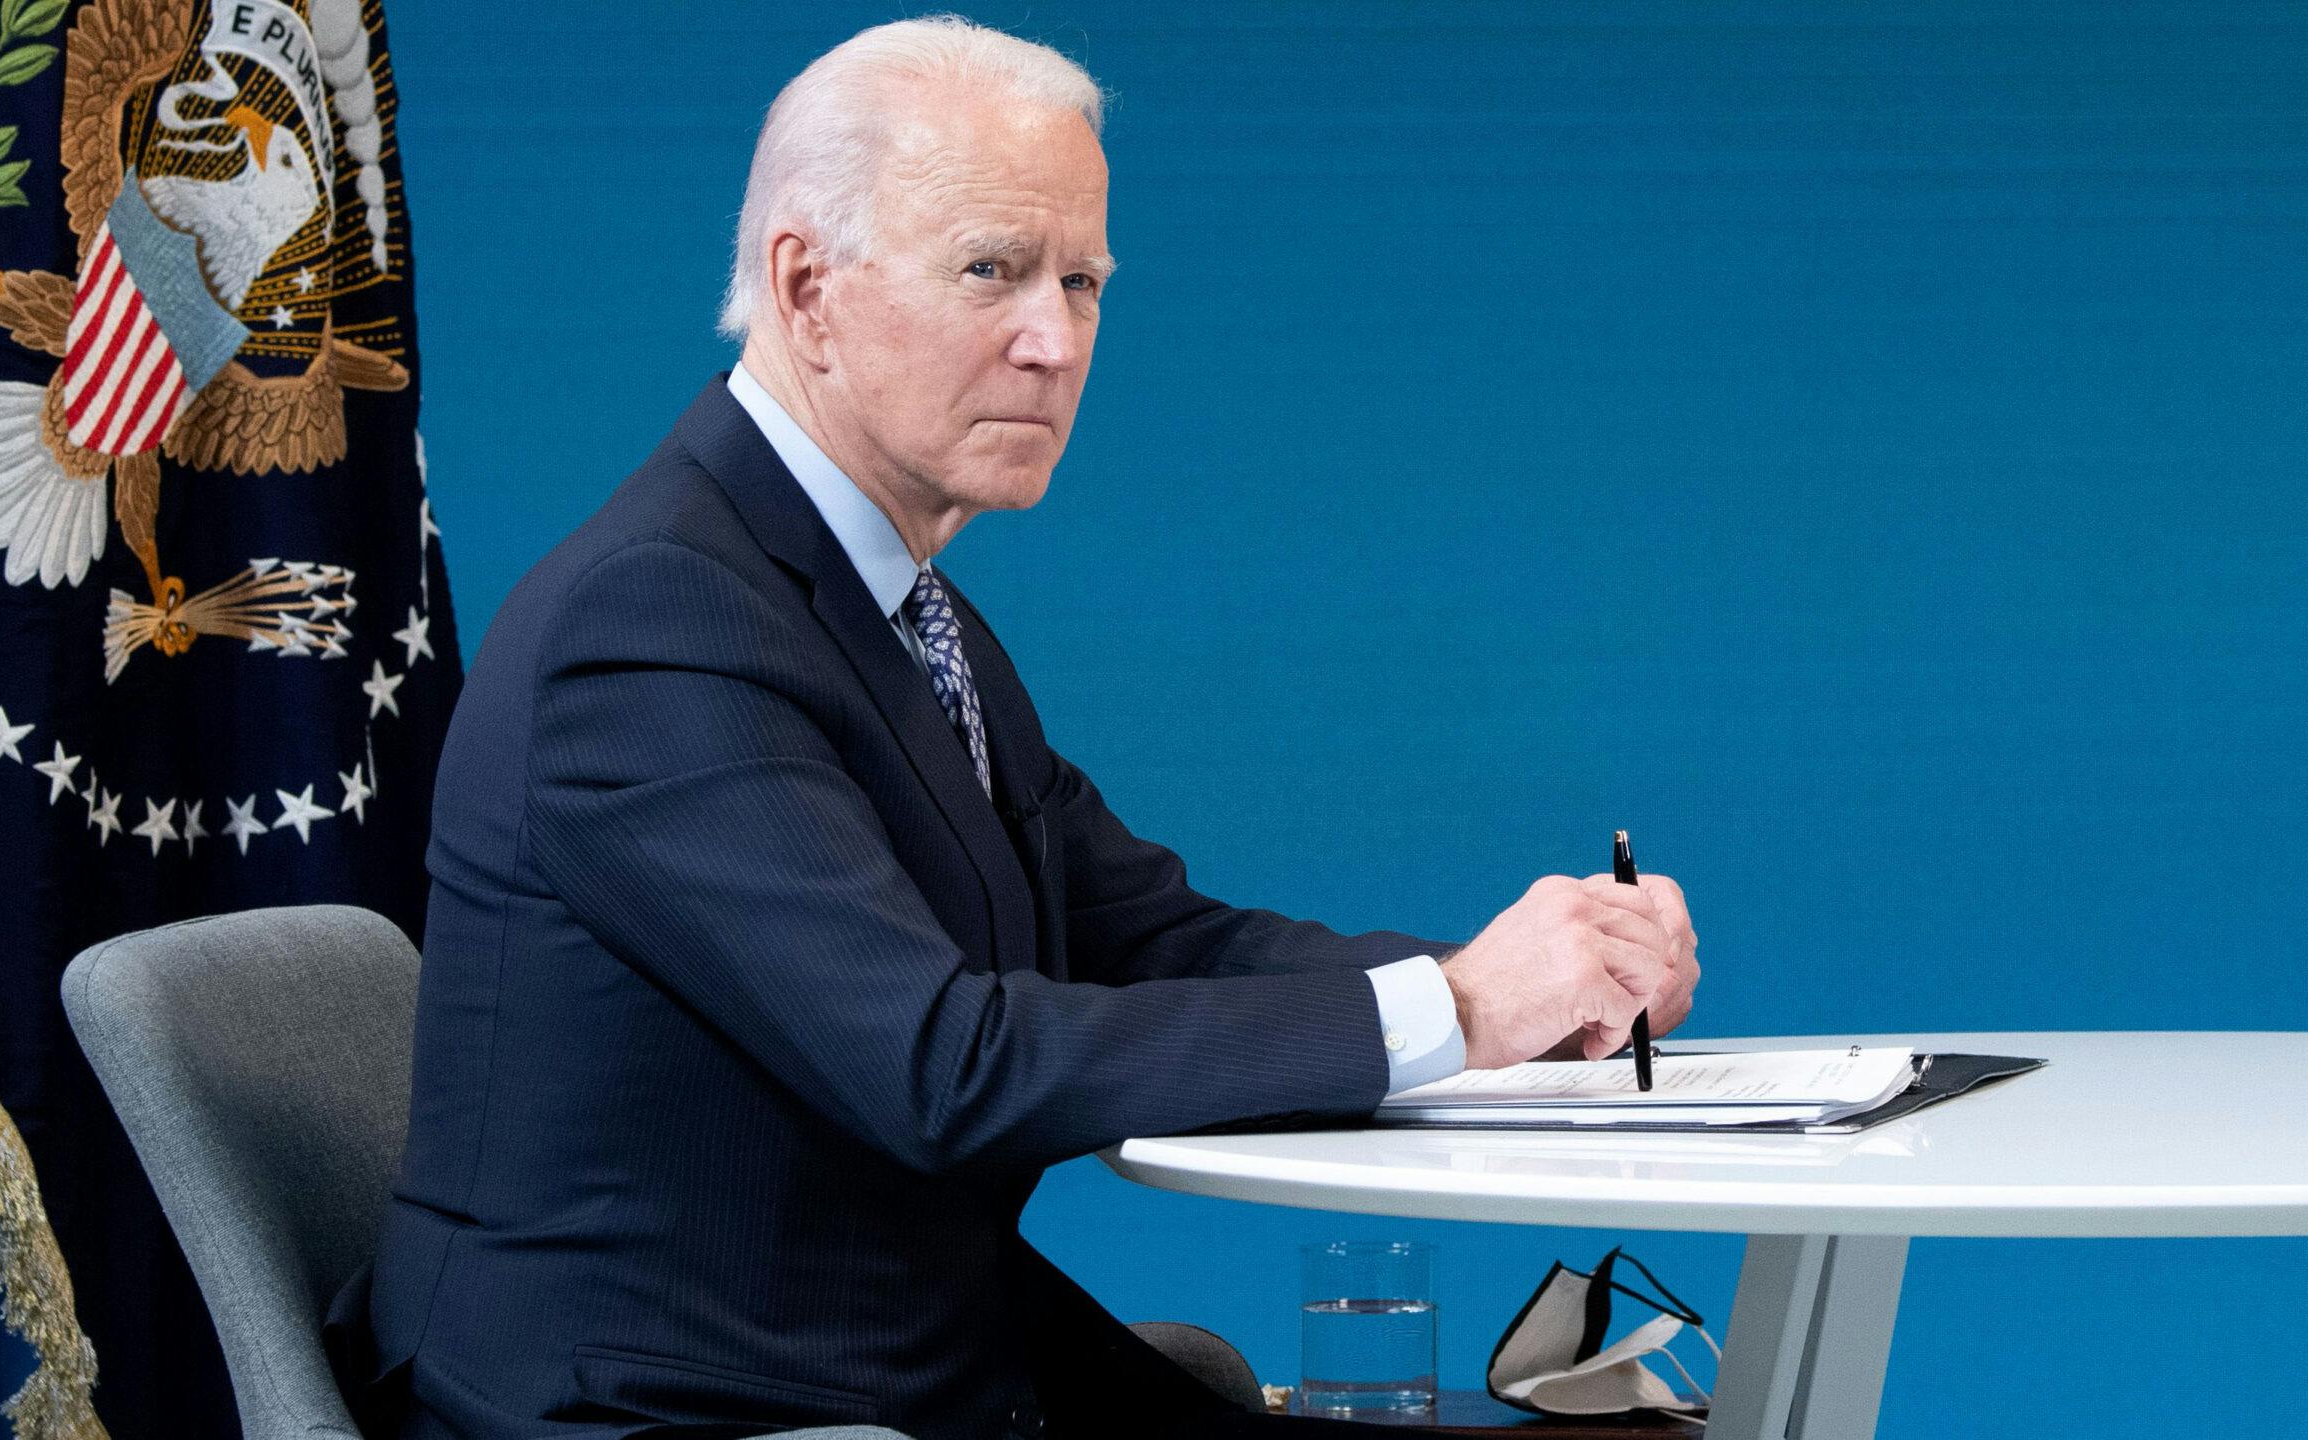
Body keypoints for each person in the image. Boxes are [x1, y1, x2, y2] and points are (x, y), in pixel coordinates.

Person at [328, 17, 1700, 1440]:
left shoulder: (900, 612)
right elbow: (944, 1067)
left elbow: (1151, 938)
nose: (1054, 342)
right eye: (991, 270)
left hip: (915, 1370)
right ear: (806, 288)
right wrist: (1463, 1013)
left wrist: (1531, 986)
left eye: (1083, 282)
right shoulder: (659, 625)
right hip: (686, 1410)